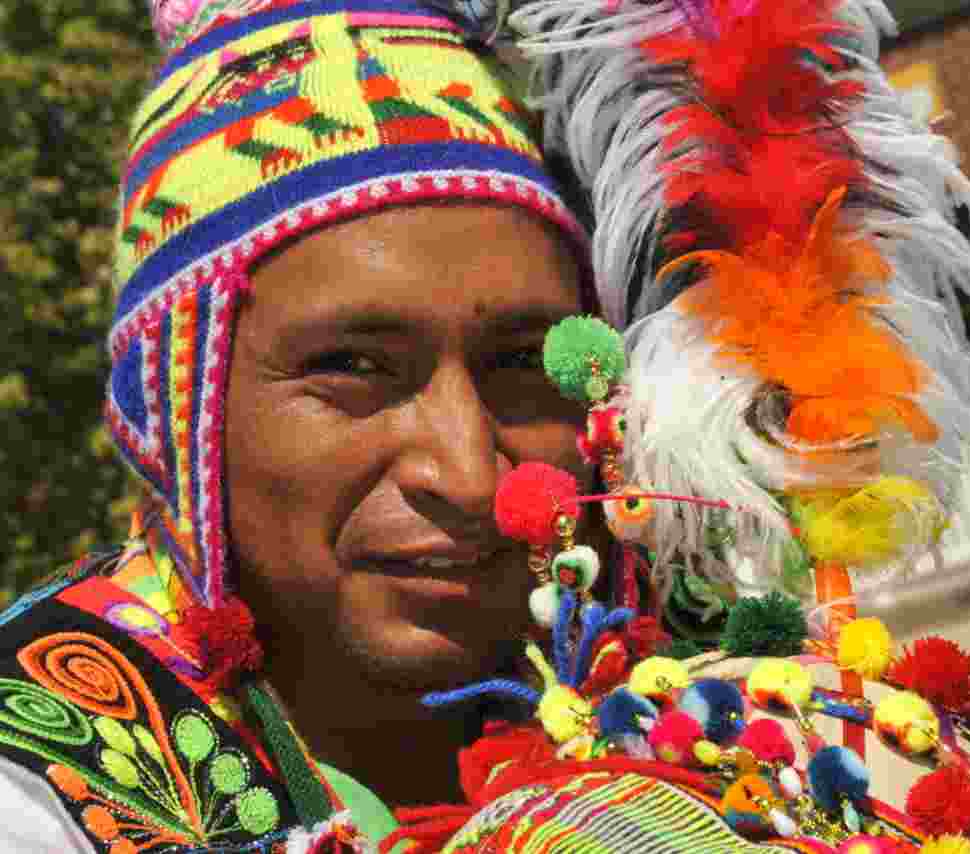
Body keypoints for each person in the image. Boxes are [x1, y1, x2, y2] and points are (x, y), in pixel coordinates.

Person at [0, 0, 607, 850]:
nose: (470, 473)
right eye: (353, 367)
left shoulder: (698, 724)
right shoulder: (32, 801)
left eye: (520, 363)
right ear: (174, 408)